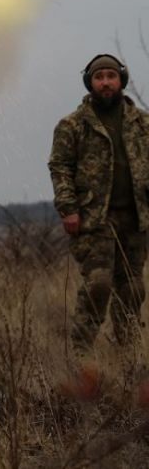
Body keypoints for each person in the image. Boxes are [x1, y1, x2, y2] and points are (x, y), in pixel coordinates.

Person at [48, 54, 149, 349]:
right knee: (99, 284)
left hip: (135, 217)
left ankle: (128, 354)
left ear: (121, 80)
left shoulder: (142, 123)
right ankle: (81, 355)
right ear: (90, 82)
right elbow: (60, 167)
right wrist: (68, 208)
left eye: (110, 76)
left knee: (132, 288)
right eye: (99, 77)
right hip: (94, 219)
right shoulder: (73, 125)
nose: (105, 83)